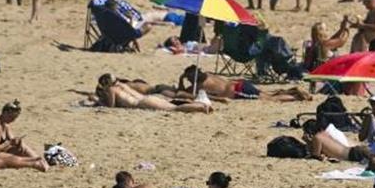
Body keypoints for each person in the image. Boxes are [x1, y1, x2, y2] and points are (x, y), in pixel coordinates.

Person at [178, 66, 310, 102]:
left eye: (188, 78)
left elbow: (181, 93)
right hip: (240, 83)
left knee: (270, 99)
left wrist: (180, 79)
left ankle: (296, 98)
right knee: (267, 93)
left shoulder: (199, 86)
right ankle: (292, 90)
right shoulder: (207, 75)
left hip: (237, 90)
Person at [93, 74, 212, 113]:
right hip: (147, 98)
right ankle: (200, 105)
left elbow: (111, 106)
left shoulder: (112, 90)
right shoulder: (123, 85)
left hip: (142, 103)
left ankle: (201, 107)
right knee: (173, 106)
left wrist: (99, 102)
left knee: (175, 109)